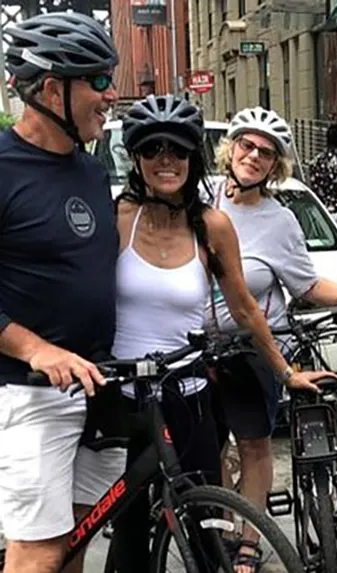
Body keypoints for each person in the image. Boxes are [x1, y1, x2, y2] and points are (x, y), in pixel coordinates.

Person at [80, 95, 327, 572]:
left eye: (177, 150)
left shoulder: (212, 225)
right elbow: (80, 292)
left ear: (193, 158)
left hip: (186, 395)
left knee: (202, 530)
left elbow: (245, 307)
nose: (165, 160)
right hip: (123, 397)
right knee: (129, 533)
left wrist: (285, 370)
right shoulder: (118, 217)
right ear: (136, 158)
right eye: (152, 149)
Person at [209, 106, 337, 565]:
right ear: (231, 148)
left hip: (251, 348)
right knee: (207, 451)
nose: (253, 156)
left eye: (265, 153)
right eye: (246, 145)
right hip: (192, 348)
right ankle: (222, 523)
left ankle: (248, 539)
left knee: (253, 444)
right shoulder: (199, 198)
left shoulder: (279, 220)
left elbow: (306, 285)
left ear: (275, 166)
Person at [0, 12, 119, 573]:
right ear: (51, 88)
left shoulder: (92, 171)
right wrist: (36, 349)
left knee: (74, 540)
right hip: (28, 393)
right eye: (98, 81)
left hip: (96, 385)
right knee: (38, 554)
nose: (110, 94)